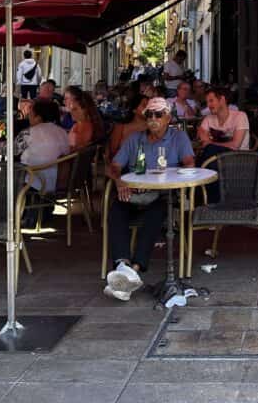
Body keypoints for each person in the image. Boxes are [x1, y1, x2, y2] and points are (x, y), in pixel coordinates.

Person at [104, 97, 195, 301]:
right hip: (135, 192)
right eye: (149, 115)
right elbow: (114, 166)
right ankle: (122, 265)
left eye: (158, 114)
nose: (153, 119)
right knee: (117, 210)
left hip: (163, 194)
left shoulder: (178, 138)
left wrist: (170, 176)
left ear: (168, 118)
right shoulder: (134, 139)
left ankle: (133, 270)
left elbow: (189, 164)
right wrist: (119, 181)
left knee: (156, 215)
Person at [17, 98, 70, 193]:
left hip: (33, 183)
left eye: (31, 114)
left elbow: (10, 150)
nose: (28, 116)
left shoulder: (28, 133)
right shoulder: (63, 132)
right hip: (59, 184)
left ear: (38, 117)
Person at [197, 86, 250, 160]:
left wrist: (211, 143)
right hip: (217, 159)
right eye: (207, 102)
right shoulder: (209, 118)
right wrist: (203, 136)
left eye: (211, 101)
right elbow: (202, 139)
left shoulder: (240, 116)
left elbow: (235, 146)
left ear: (222, 99)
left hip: (239, 160)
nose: (208, 105)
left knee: (209, 150)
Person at [108, 93, 150, 160]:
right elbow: (112, 153)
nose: (148, 108)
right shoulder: (120, 128)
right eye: (144, 105)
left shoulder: (154, 127)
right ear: (134, 110)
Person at [68, 88, 103, 153]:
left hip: (70, 159)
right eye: (71, 108)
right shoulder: (90, 122)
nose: (71, 112)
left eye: (75, 109)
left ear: (86, 110)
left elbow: (75, 150)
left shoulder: (85, 126)